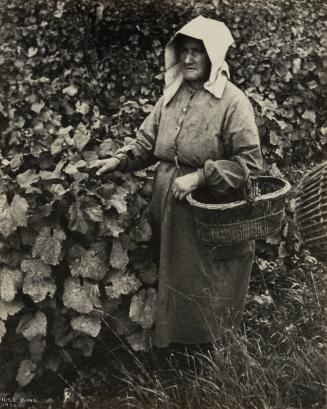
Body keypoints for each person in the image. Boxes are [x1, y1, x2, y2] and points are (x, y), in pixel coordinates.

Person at [95, 16, 262, 348]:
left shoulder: (232, 102)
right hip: (169, 205)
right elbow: (146, 142)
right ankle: (173, 348)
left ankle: (210, 352)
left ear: (212, 56)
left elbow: (250, 165)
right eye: (184, 51)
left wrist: (200, 176)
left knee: (207, 281)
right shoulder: (171, 97)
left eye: (196, 52)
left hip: (208, 211)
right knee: (174, 277)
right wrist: (119, 160)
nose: (188, 59)